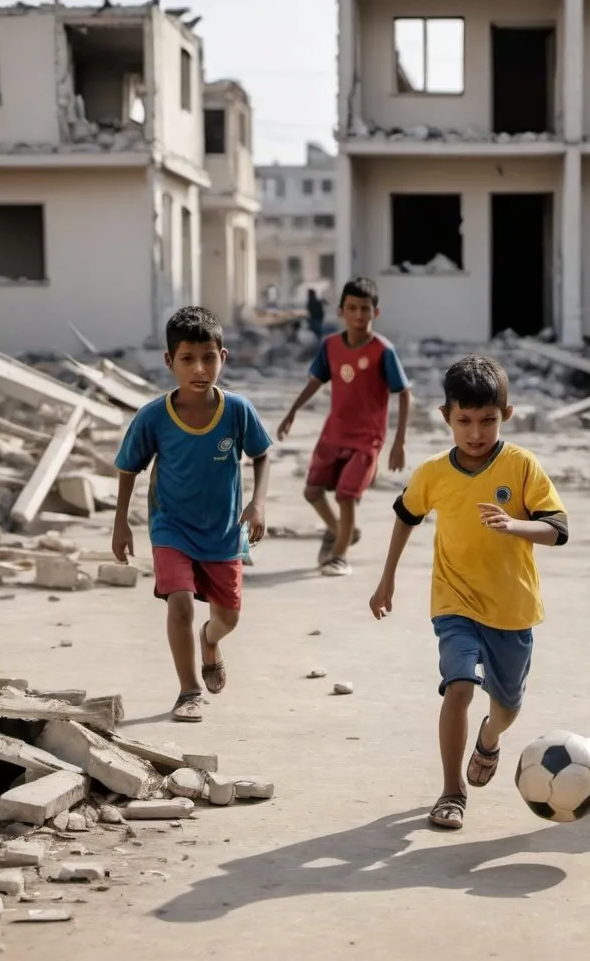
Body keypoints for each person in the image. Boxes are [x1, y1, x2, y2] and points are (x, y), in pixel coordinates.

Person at [369, 355, 568, 830]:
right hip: (454, 602)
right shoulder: (434, 472)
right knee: (458, 688)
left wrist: (515, 525)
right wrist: (387, 577)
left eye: (487, 421)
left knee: (507, 708)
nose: (476, 432)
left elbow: (558, 529)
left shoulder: (522, 466)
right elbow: (405, 515)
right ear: (446, 417)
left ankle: (490, 739)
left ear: (507, 415)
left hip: (513, 608)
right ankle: (452, 791)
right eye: (464, 421)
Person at [112, 306, 273, 723]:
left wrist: (257, 502)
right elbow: (128, 467)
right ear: (170, 362)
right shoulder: (153, 417)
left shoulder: (237, 411)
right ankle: (188, 691)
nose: (199, 368)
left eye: (208, 357)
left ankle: (210, 641)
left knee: (228, 618)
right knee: (179, 603)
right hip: (171, 526)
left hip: (223, 532)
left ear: (224, 356)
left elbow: (262, 454)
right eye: (187, 359)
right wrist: (121, 524)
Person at [278, 277, 411, 577]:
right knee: (312, 491)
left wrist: (398, 442)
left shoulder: (382, 351)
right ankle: (341, 530)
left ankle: (339, 555)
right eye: (352, 308)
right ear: (341, 311)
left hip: (366, 439)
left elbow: (404, 393)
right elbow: (316, 380)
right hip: (334, 433)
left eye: (365, 309)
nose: (359, 315)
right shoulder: (331, 346)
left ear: (375, 313)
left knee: (346, 495)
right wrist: (292, 412)